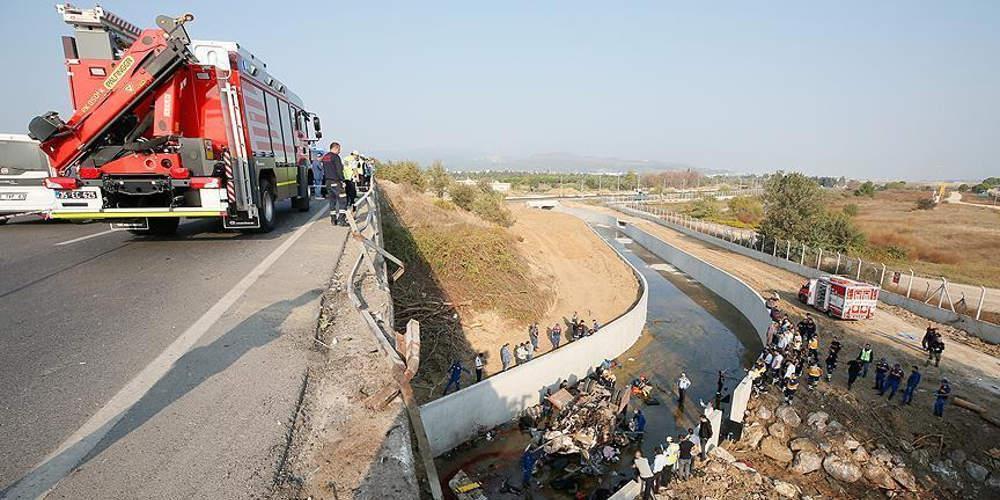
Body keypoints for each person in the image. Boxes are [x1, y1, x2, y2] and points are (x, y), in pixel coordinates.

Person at [321, 142, 347, 226]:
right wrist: (342, 180)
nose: (339, 151)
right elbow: (339, 170)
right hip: (336, 181)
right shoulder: (335, 157)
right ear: (335, 148)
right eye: (339, 149)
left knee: (332, 201)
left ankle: (333, 220)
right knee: (343, 200)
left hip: (328, 182)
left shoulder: (325, 157)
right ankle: (341, 220)